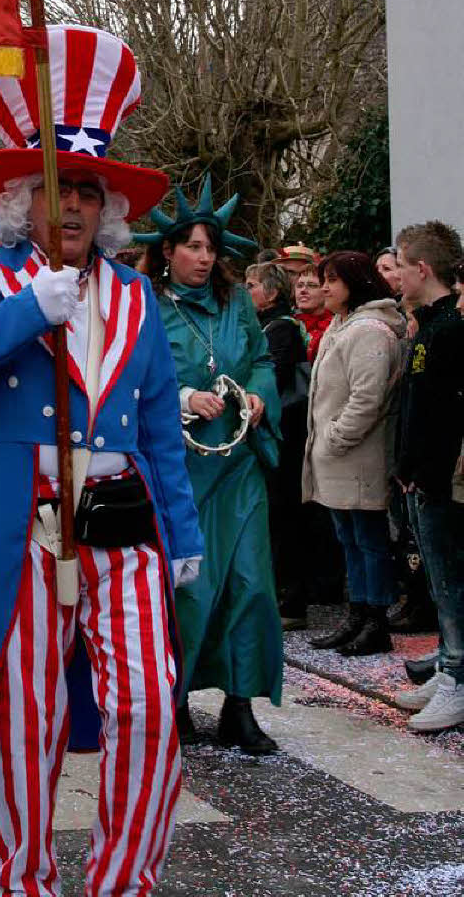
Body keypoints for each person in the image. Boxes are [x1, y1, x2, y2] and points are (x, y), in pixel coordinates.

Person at [0, 24, 203, 896]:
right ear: (22, 202)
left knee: (151, 708)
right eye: (55, 188)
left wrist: (182, 531)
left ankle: (121, 880)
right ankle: (25, 879)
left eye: (86, 189)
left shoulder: (134, 291)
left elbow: (157, 421)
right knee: (29, 719)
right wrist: (26, 312)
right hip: (26, 531)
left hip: (124, 530)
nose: (73, 204)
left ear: (107, 207)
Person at [139, 190, 283, 755]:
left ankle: (240, 705)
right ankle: (173, 701)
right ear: (167, 250)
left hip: (239, 465)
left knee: (251, 583)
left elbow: (263, 361)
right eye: (193, 247)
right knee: (188, 590)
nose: (204, 257)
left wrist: (257, 395)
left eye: (211, 248)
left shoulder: (237, 305)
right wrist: (184, 395)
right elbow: (132, 375)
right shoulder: (148, 304)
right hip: (179, 472)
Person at [303, 252, 404, 656]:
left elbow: (367, 397)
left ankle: (375, 619)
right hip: (337, 458)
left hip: (358, 456)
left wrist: (335, 437)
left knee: (369, 540)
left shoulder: (370, 331)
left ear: (355, 282)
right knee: (350, 539)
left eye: (332, 279)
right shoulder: (342, 325)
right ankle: (357, 615)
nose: (324, 287)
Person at [391, 222, 464, 730]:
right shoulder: (429, 325)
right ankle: (449, 664)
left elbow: (447, 413)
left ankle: (458, 676)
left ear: (423, 268)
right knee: (441, 582)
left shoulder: (450, 331)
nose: (393, 273)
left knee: (449, 581)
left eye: (400, 262)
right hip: (420, 476)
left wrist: (426, 471)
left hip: (437, 480)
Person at [245, 262, 310, 631]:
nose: (247, 290)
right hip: (278, 433)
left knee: (284, 517)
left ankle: (291, 598)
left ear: (271, 293)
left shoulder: (280, 328)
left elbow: (275, 376)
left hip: (285, 434)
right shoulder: (266, 327)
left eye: (252, 285)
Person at [294, 262, 333, 362]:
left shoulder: (337, 325)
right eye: (299, 285)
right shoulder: (289, 324)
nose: (303, 290)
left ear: (326, 290)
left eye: (312, 285)